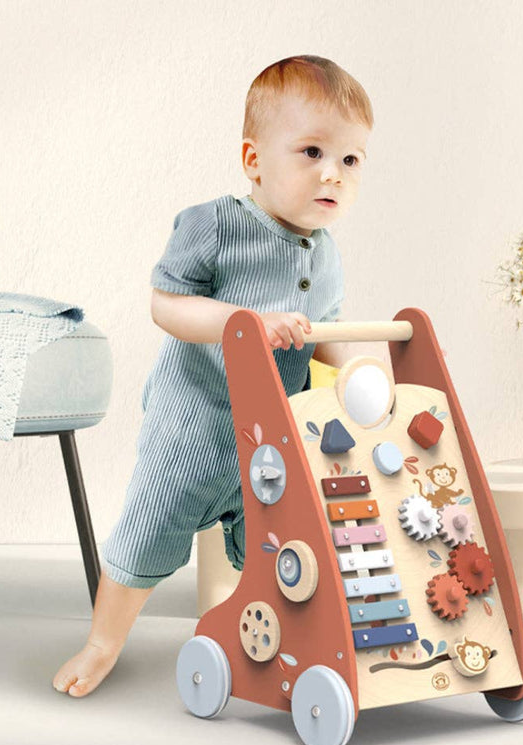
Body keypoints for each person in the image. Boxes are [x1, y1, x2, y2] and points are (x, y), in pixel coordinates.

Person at [53, 55, 373, 698]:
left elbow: (325, 330)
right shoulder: (216, 225)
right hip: (197, 421)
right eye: (311, 151)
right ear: (254, 159)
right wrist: (241, 319)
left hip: (269, 437)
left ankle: (260, 634)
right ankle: (101, 641)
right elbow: (166, 304)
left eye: (350, 160)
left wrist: (352, 382)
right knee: (153, 523)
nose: (331, 174)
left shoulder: (327, 254)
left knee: (283, 542)